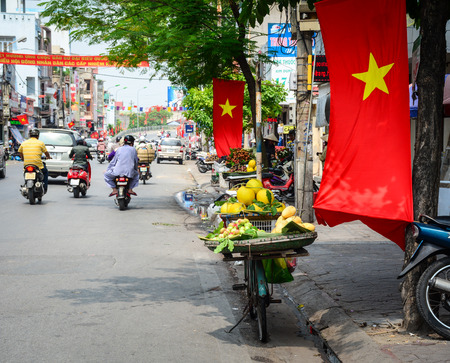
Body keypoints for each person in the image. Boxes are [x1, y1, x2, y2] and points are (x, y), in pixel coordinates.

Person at [18, 129, 52, 193]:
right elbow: (46, 152)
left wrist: (22, 158)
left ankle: (26, 183)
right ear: (38, 136)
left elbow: (20, 152)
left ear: (30, 135)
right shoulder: (40, 143)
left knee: (25, 173)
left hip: (27, 165)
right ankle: (45, 188)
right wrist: (48, 157)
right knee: (45, 172)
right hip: (38, 165)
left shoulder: (24, 143)